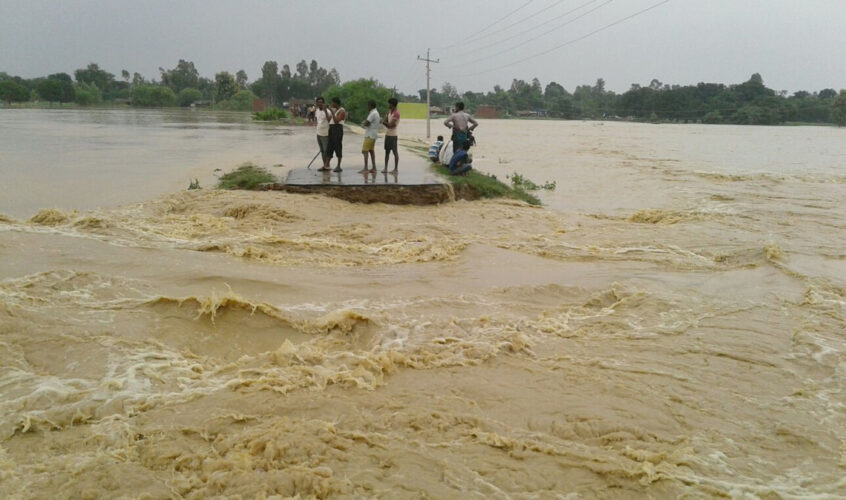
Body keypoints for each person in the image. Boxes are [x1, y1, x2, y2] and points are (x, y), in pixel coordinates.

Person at [326, 96, 346, 172]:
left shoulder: (342, 111)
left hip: (337, 129)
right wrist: (326, 110)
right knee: (330, 147)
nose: (331, 104)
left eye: (332, 102)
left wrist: (331, 111)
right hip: (331, 129)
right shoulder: (335, 111)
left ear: (335, 103)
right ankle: (327, 165)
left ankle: (338, 166)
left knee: (338, 146)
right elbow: (329, 120)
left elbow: (336, 121)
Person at [360, 100, 380, 173]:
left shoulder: (373, 113)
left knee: (365, 151)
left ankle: (365, 168)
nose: (367, 107)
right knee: (371, 151)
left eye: (368, 106)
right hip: (373, 134)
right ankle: (374, 167)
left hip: (369, 134)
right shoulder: (376, 112)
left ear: (370, 106)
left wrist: (363, 123)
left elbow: (367, 122)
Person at [381, 97, 400, 173]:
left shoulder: (396, 113)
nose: (388, 105)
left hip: (393, 135)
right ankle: (385, 168)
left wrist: (384, 122)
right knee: (387, 152)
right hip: (388, 134)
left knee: (395, 152)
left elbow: (389, 125)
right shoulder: (389, 112)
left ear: (392, 104)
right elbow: (387, 124)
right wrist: (385, 123)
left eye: (389, 103)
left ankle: (396, 169)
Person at [314, 96, 332, 171]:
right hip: (318, 133)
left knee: (326, 151)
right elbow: (317, 120)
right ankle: (324, 165)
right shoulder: (317, 111)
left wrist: (325, 111)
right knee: (322, 151)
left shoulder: (328, 111)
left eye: (321, 102)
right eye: (318, 102)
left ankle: (327, 165)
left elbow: (329, 120)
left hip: (326, 134)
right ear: (317, 103)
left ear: (323, 103)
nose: (320, 104)